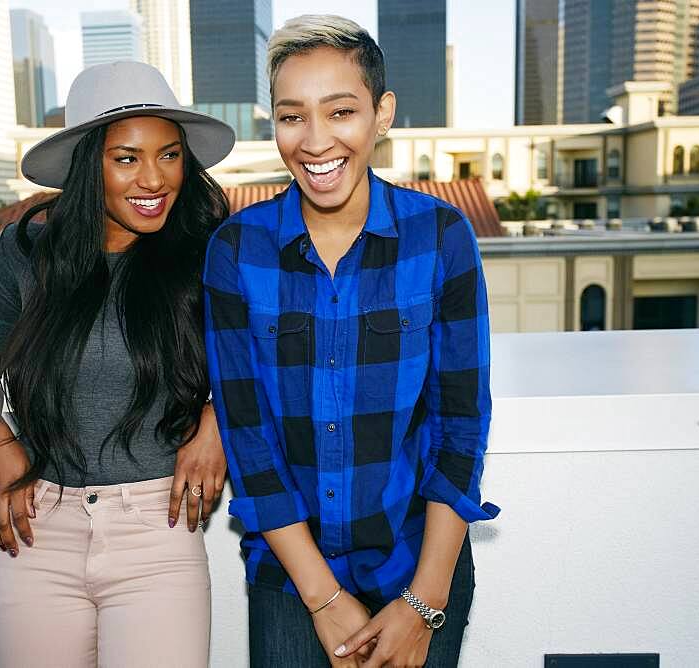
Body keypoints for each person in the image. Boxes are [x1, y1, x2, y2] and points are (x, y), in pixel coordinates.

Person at [203, 16, 499, 667]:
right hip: (290, 575)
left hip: (420, 566)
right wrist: (322, 596)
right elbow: (247, 439)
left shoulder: (441, 238)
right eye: (291, 116)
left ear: (381, 113)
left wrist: (424, 602)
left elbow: (460, 426)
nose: (315, 141)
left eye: (340, 111)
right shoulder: (236, 249)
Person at [0, 61, 235, 667]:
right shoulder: (24, 251)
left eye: (170, 154)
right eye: (126, 157)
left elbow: (262, 364)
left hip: (159, 529)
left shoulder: (211, 253)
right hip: (34, 531)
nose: (154, 178)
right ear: (86, 166)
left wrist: (216, 417)